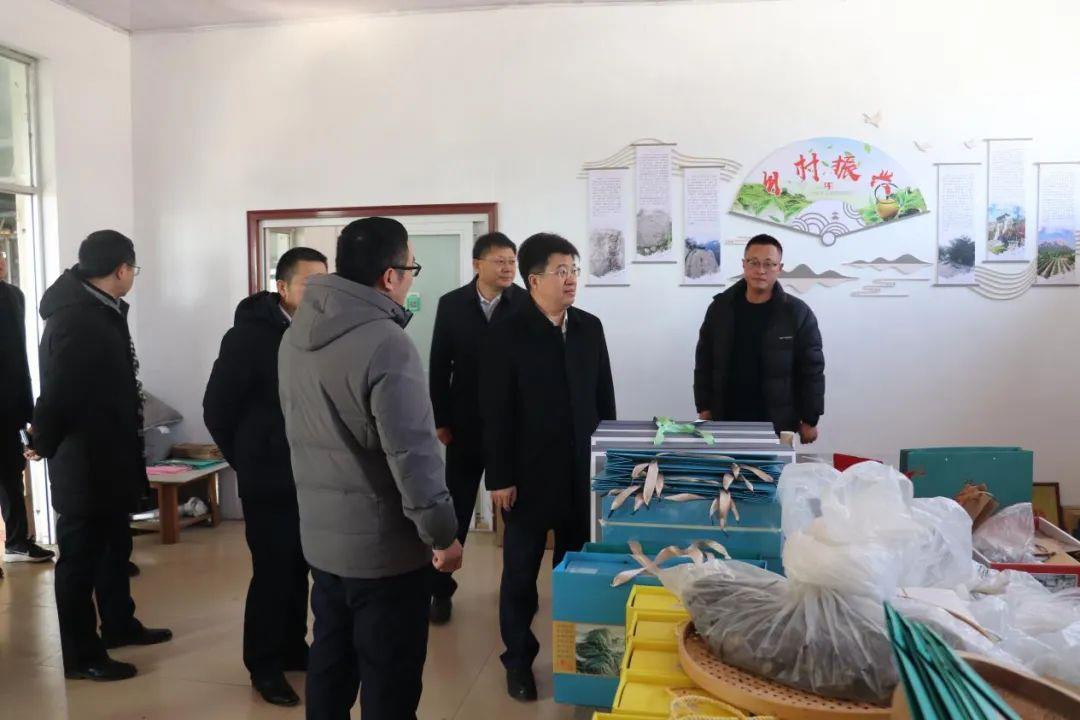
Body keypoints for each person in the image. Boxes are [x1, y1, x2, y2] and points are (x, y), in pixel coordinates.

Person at [278, 217, 462, 720]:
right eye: (411, 269)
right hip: (385, 553)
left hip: (323, 542)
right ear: (389, 276)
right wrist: (442, 535)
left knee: (331, 663)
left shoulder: (295, 334)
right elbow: (413, 456)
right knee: (389, 680)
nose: (410, 280)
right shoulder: (386, 342)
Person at [27, 230, 171, 682]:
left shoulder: (101, 308)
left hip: (109, 453)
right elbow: (59, 393)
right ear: (121, 269)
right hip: (84, 460)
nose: (133, 277)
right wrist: (43, 440)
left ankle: (119, 624)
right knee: (80, 559)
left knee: (114, 546)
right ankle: (82, 656)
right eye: (134, 269)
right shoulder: (78, 318)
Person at [481, 232, 616, 702]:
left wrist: (608, 464)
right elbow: (494, 412)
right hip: (527, 478)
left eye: (574, 269)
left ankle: (579, 658)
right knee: (520, 576)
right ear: (533, 280)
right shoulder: (506, 332)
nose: (571, 279)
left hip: (581, 475)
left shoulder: (589, 328)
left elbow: (604, 401)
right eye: (561, 271)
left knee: (578, 570)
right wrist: (499, 477)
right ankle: (518, 661)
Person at [203, 246, 327, 707]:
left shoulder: (321, 331)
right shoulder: (248, 337)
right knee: (273, 572)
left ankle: (293, 647)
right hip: (269, 478)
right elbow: (216, 408)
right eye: (309, 284)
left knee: (301, 568)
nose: (319, 293)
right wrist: (248, 459)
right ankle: (264, 665)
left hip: (313, 475)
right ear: (283, 287)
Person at [427, 232, 525, 624]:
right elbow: (438, 366)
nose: (508, 268)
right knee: (455, 509)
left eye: (512, 261)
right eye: (500, 261)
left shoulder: (525, 303)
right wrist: (440, 419)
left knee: (517, 516)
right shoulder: (452, 304)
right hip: (464, 426)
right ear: (477, 264)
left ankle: (516, 592)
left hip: (513, 429)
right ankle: (440, 590)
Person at [693, 234, 824, 443]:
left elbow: (812, 370)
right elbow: (704, 362)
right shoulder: (720, 309)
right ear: (744, 265)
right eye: (754, 262)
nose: (761, 270)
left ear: (779, 268)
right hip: (726, 418)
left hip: (777, 422)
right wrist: (704, 407)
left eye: (769, 264)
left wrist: (810, 419)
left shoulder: (797, 313)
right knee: (724, 465)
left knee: (776, 466)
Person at [0, 249, 53, 566]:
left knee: (11, 472)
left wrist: (29, 410)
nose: (2, 263)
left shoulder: (14, 296)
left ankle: (17, 541)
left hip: (11, 404)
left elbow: (19, 357)